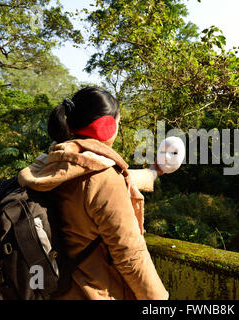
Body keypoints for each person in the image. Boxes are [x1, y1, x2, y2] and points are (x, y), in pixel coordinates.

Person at [17, 86, 169, 300]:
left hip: (54, 288)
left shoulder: (49, 163)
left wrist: (153, 172)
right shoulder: (103, 178)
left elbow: (104, 180)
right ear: (107, 126)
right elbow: (131, 256)